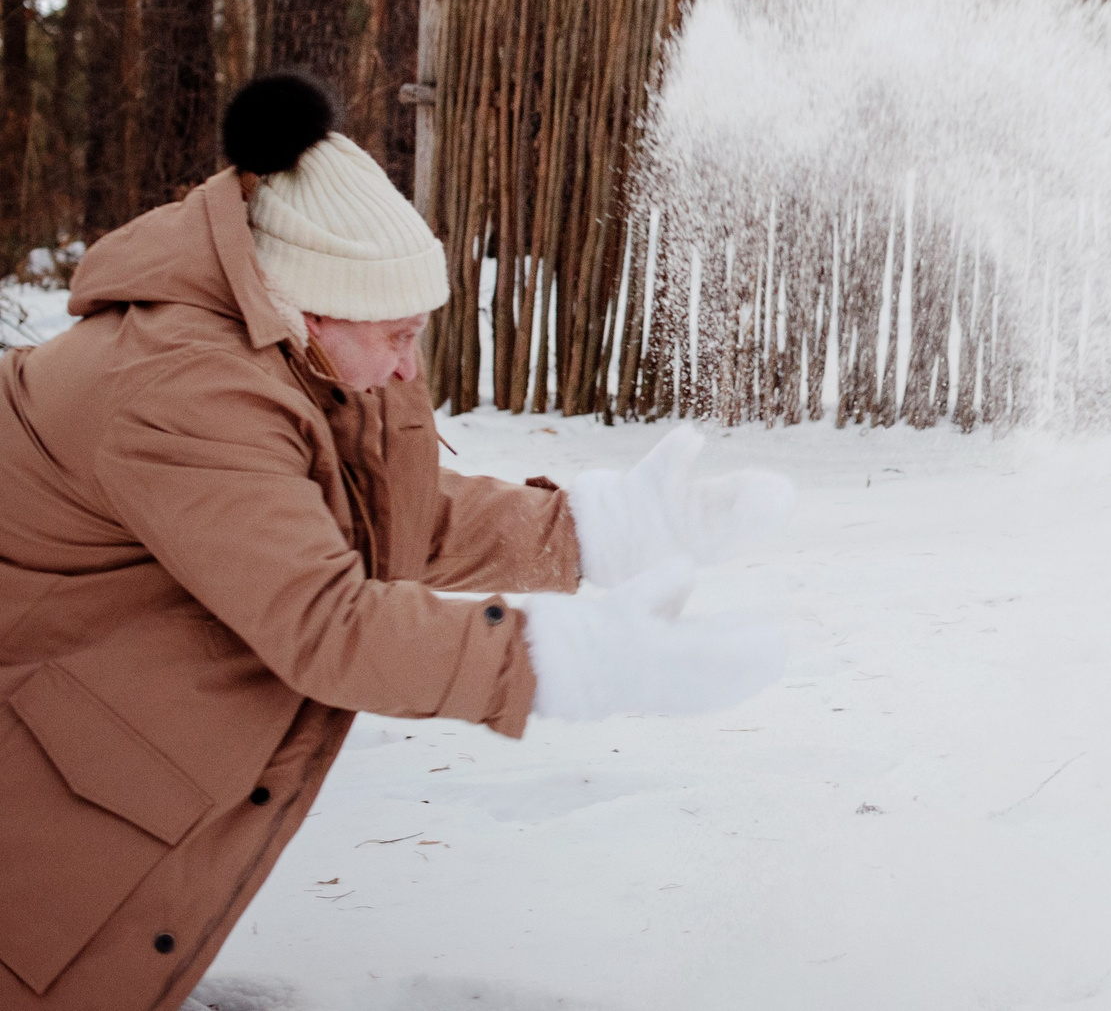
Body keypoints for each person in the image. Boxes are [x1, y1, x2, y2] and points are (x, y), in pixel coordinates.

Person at [0, 75, 793, 1011]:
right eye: (398, 334)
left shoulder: (295, 351)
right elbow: (327, 621)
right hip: (48, 761)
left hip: (98, 727)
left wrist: (594, 531)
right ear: (311, 310)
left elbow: (378, 516)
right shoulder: (183, 390)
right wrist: (568, 660)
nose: (410, 365)